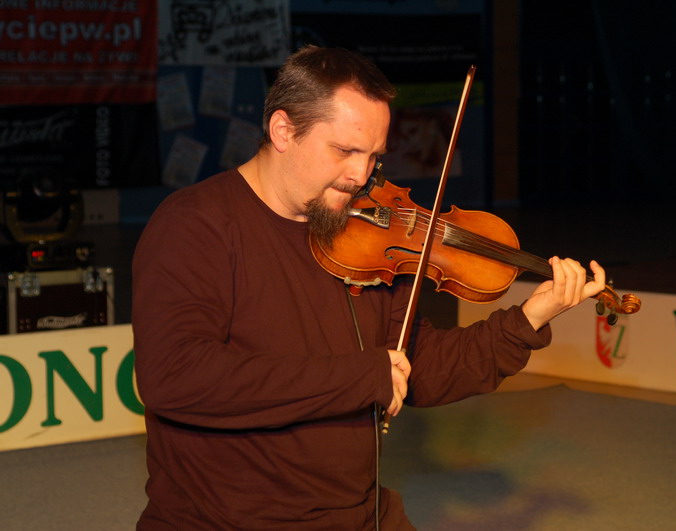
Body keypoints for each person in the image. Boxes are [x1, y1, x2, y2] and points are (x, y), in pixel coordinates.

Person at [132, 45, 606, 530]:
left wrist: (527, 320)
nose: (361, 176)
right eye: (344, 151)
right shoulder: (195, 225)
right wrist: (361, 378)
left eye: (374, 156)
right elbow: (174, 377)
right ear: (283, 131)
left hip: (359, 514)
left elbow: (414, 367)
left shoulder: (366, 238)